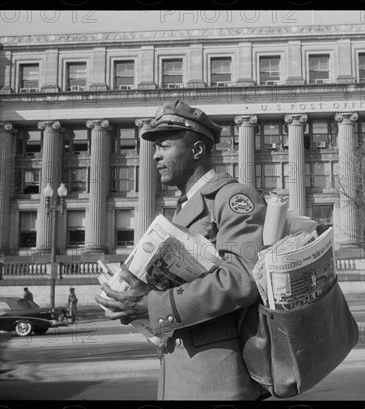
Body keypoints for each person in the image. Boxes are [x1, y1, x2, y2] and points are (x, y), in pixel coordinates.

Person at [95, 100, 267, 400]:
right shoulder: (185, 205)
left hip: (216, 379)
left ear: (197, 150)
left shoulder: (234, 197)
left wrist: (152, 305)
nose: (155, 155)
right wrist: (132, 302)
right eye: (156, 148)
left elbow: (242, 280)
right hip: (185, 373)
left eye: (164, 146)